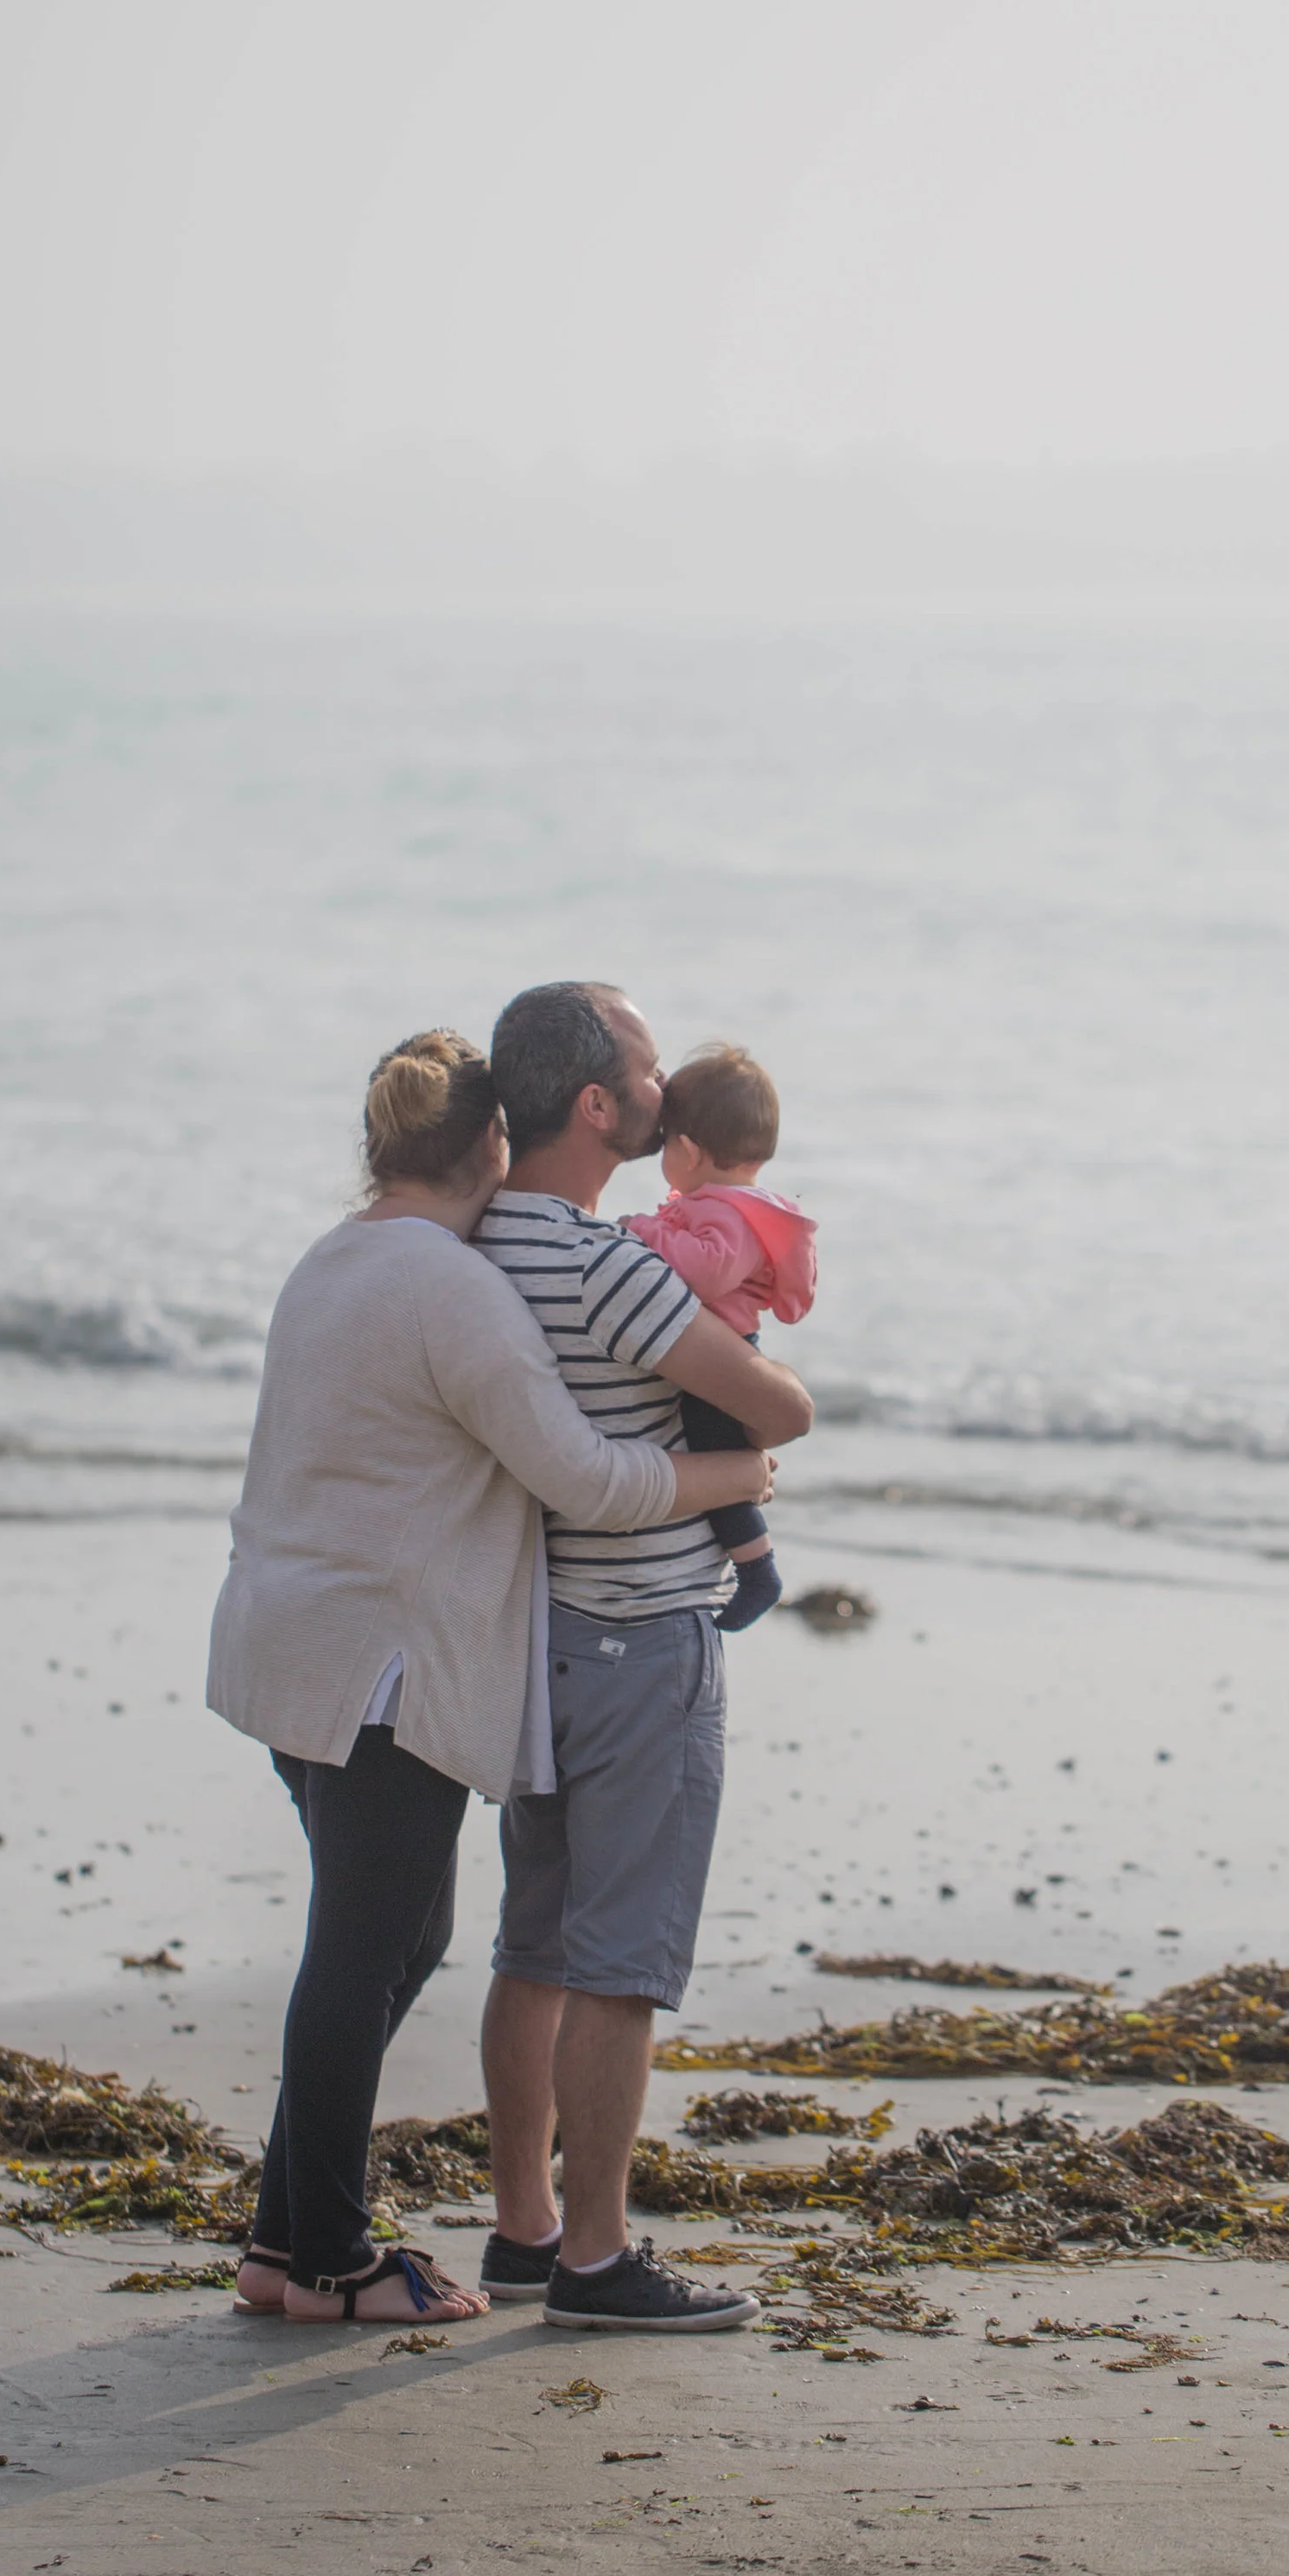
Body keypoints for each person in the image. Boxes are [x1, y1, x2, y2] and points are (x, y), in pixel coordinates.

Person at [206, 1027, 776, 2328]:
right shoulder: (447, 1286)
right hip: (377, 1670)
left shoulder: (335, 1257)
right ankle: (333, 2260)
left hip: (289, 1643)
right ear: (491, 1144)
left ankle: (283, 2241)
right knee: (362, 1953)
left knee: (400, 1941)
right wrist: (737, 1475)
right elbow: (584, 1476)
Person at [473, 984, 815, 2332]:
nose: (667, 1085)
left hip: (535, 1636)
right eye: (649, 1063)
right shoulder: (616, 1267)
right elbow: (779, 1408)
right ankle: (597, 2256)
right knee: (620, 1965)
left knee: (532, 1945)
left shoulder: (477, 1240)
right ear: (596, 1102)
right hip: (644, 1638)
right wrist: (748, 1467)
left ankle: (523, 2227)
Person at [621, 1044, 818, 1634]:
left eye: (664, 1143)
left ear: (687, 1151)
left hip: (722, 1357)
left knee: (716, 1461)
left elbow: (707, 1271)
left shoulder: (729, 1212)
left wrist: (643, 1231)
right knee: (713, 1451)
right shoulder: (733, 1203)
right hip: (721, 1350)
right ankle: (748, 1556)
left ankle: (757, 1570)